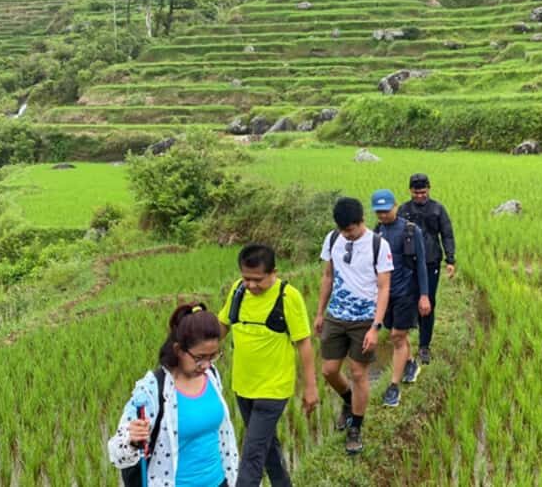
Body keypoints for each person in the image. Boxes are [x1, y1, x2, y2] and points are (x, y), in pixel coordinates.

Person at [218, 244, 319, 487]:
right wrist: (194, 347)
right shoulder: (238, 291)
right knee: (266, 444)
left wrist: (311, 387)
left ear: (274, 271)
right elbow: (222, 326)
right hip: (242, 386)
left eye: (257, 280)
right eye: (246, 278)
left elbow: (304, 344)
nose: (251, 285)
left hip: (273, 389)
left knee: (252, 454)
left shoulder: (288, 296)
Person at [109, 303, 239, 487]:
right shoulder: (153, 389)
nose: (206, 365)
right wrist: (132, 439)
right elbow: (117, 452)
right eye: (199, 358)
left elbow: (222, 436)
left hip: (220, 481)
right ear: (179, 350)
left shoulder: (212, 376)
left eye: (212, 356)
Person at [314, 197, 393, 454]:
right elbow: (328, 276)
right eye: (342, 230)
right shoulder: (333, 239)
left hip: (364, 320)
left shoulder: (378, 245)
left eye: (351, 230)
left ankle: (356, 427)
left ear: (362, 221)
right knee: (328, 370)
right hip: (336, 316)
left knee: (358, 373)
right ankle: (349, 400)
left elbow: (384, 288)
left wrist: (375, 327)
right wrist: (319, 313)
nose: (347, 235)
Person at [371, 189, 431, 407]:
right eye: (379, 212)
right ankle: (411, 363)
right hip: (386, 294)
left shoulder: (410, 230)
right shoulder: (376, 232)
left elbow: (421, 264)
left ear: (395, 206)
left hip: (407, 291)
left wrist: (424, 295)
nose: (383, 215)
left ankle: (393, 387)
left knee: (396, 336)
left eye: (386, 210)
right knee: (398, 333)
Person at [397, 173, 456, 364]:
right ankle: (404, 346)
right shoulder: (403, 210)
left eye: (423, 192)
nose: (420, 196)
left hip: (431, 262)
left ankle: (424, 346)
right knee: (406, 301)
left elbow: (447, 235)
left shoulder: (438, 209)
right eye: (416, 193)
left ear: (429, 189)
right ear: (410, 191)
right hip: (408, 264)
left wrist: (450, 260)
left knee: (427, 303)